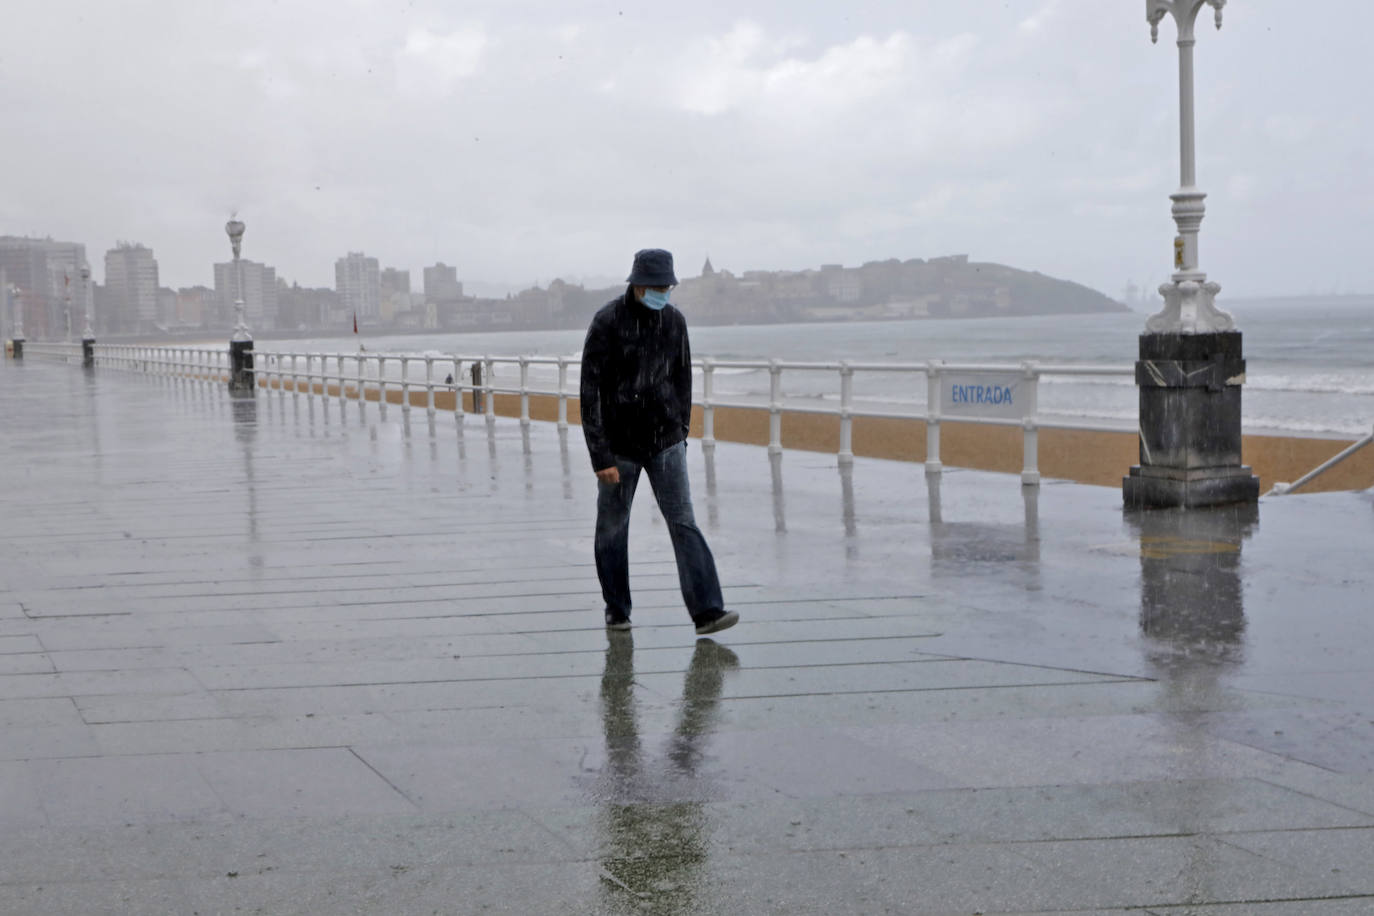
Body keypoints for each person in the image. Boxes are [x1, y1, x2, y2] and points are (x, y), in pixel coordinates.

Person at [580, 248, 738, 636]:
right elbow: (589, 392)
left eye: (666, 286)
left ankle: (707, 611)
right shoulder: (607, 322)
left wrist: (681, 430)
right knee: (613, 528)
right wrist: (600, 455)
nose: (662, 292)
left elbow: (683, 377)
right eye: (655, 286)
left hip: (666, 441)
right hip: (618, 447)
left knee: (684, 522)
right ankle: (617, 608)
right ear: (635, 284)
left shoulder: (674, 321)